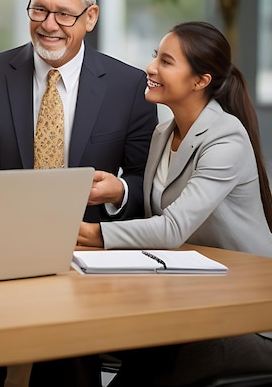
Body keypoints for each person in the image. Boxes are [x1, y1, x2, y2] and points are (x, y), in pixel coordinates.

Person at [0, 0, 158, 387]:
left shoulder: (128, 86)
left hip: (86, 255)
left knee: (70, 374)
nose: (49, 24)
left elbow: (147, 183)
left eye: (64, 13)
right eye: (40, 9)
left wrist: (117, 190)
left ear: (91, 17)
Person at [78, 20, 272, 385]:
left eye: (166, 61)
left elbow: (170, 229)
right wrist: (119, 192)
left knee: (168, 350)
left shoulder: (226, 138)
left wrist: (90, 232)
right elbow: (156, 217)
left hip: (251, 316)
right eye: (156, 57)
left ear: (200, 81)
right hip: (194, 300)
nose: (151, 68)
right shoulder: (162, 133)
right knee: (100, 338)